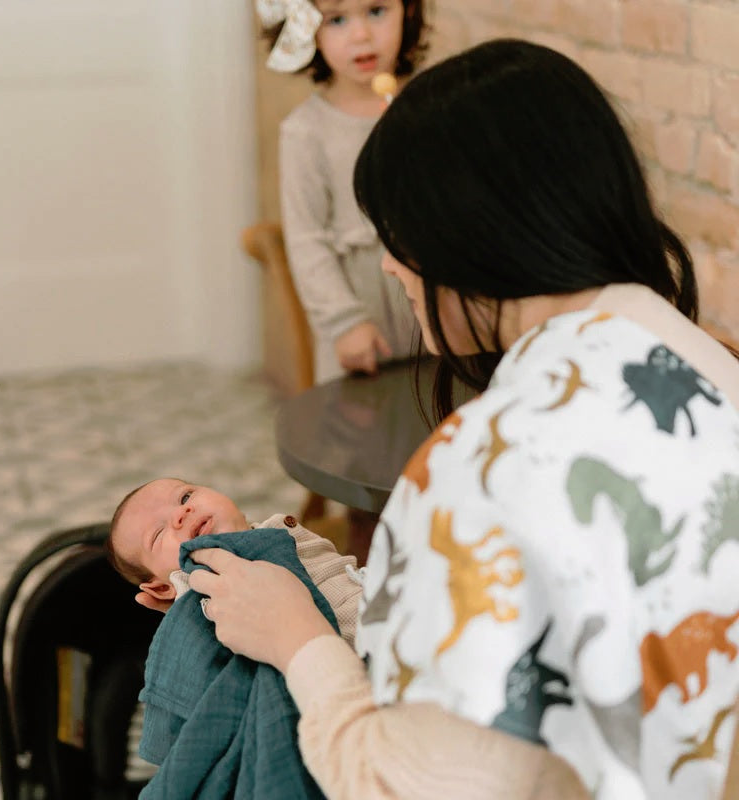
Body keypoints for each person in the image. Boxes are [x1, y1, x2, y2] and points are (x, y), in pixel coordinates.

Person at [181, 40, 739, 800]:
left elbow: (398, 783)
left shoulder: (479, 464)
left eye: (398, 235)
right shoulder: (706, 364)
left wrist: (298, 641)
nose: (388, 266)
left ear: (467, 231)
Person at [106, 478, 361, 799]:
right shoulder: (196, 595)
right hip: (328, 694)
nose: (181, 514)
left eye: (185, 496)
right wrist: (183, 611)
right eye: (158, 535)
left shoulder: (281, 532)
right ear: (161, 588)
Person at [257, 0, 428, 382]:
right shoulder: (306, 133)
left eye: (377, 11)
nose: (361, 34)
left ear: (410, 12)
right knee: (361, 433)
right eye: (336, 20)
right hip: (360, 330)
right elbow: (306, 239)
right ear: (306, 30)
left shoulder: (433, 105)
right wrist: (344, 321)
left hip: (436, 320)